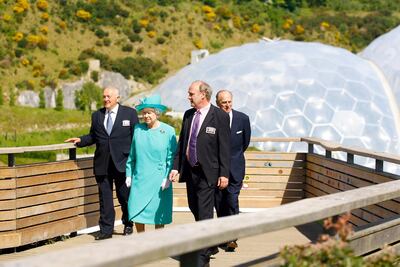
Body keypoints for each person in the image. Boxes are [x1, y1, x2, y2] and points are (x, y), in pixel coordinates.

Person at [169, 80, 230, 266]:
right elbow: (183, 143)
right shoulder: (188, 115)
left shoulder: (219, 116)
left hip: (209, 173)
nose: (188, 97)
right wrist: (175, 167)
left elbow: (225, 147)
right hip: (190, 171)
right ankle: (209, 243)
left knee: (204, 213)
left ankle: (202, 259)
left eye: (191, 93)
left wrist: (224, 173)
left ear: (203, 94)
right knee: (194, 207)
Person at [65, 87, 138, 240]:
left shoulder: (130, 114)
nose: (105, 99)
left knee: (124, 196)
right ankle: (106, 230)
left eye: (109, 96)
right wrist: (80, 140)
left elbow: (136, 138)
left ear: (118, 98)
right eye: (104, 96)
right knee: (105, 199)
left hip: (123, 163)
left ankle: (128, 224)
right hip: (102, 164)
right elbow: (93, 136)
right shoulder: (97, 115)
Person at [125, 94, 177, 233]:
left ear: (157, 113)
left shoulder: (168, 131)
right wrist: (128, 174)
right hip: (140, 178)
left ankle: (157, 242)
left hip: (159, 179)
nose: (146, 116)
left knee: (158, 212)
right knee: (136, 209)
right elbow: (132, 155)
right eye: (144, 113)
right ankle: (142, 241)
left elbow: (171, 157)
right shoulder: (138, 129)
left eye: (149, 112)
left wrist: (167, 178)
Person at [214, 89, 251, 252]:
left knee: (232, 201)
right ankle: (223, 236)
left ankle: (232, 237)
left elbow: (245, 143)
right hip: (215, 170)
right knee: (219, 203)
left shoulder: (243, 119)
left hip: (235, 168)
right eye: (224, 102)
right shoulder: (212, 118)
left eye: (229, 101)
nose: (227, 105)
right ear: (217, 103)